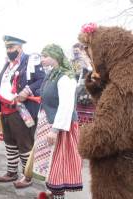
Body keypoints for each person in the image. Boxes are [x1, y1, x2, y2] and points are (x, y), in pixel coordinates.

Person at [78, 24, 133, 199]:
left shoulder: (121, 88)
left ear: (103, 52)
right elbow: (122, 119)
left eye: (91, 53)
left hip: (117, 179)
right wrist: (98, 89)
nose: (91, 60)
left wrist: (83, 136)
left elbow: (102, 138)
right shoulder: (125, 76)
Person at [0, 35, 45, 189]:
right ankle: (11, 172)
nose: (9, 50)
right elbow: (0, 86)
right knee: (10, 142)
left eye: (12, 47)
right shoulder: (7, 65)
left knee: (24, 143)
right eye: (7, 48)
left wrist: (27, 91)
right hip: (6, 110)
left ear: (20, 47)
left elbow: (42, 80)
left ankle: (27, 176)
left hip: (22, 110)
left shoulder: (31, 60)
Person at [33, 44, 82, 199]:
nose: (42, 60)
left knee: (57, 164)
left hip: (59, 127)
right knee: (49, 162)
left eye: (45, 56)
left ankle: (58, 195)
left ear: (55, 56)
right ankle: (52, 194)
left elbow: (66, 106)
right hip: (49, 122)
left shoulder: (65, 77)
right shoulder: (53, 73)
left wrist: (55, 130)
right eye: (41, 56)